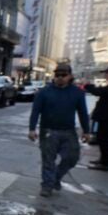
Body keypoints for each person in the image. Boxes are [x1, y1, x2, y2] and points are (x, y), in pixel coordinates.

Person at [28, 63, 90, 197]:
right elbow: (35, 111)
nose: (60, 78)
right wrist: (32, 129)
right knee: (48, 160)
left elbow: (83, 113)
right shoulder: (44, 92)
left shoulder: (77, 93)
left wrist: (86, 131)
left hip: (68, 131)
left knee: (72, 158)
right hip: (48, 130)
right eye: (57, 75)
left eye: (64, 75)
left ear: (70, 76)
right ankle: (47, 186)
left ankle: (56, 177)